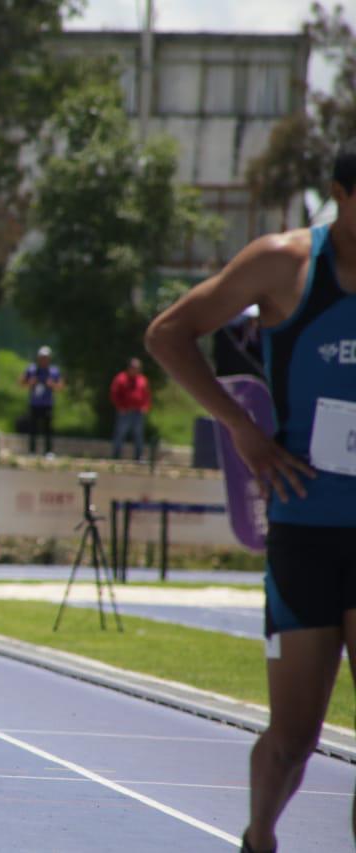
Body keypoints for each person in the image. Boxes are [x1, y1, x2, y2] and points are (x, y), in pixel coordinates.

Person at [145, 140, 356, 853]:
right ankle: (259, 836)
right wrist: (241, 428)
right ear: (340, 195)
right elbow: (168, 334)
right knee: (295, 737)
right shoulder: (284, 263)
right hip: (306, 528)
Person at [20, 345, 64, 456]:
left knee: (48, 429)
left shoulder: (54, 371)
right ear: (38, 358)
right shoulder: (32, 369)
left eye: (46, 358)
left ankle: (48, 452)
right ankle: (32, 451)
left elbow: (60, 386)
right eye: (42, 357)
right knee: (32, 429)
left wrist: (52, 385)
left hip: (47, 404)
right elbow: (22, 382)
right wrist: (30, 383)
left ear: (49, 359)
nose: (44, 360)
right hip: (34, 404)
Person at [109, 357, 152, 461]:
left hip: (138, 412)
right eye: (134, 367)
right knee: (120, 433)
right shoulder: (121, 378)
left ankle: (139, 456)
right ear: (129, 368)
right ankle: (116, 455)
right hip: (125, 411)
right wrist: (120, 407)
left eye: (138, 368)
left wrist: (145, 407)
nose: (136, 370)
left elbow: (147, 395)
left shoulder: (142, 379)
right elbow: (114, 394)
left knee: (139, 435)